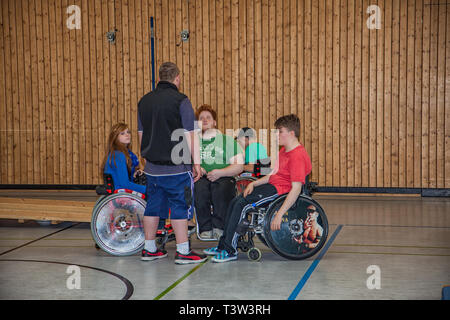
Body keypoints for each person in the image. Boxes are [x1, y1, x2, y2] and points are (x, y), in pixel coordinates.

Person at [203, 114, 312, 263]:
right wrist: (254, 183)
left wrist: (280, 214)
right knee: (235, 201)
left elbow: (296, 189)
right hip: (273, 186)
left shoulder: (297, 155)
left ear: (291, 134)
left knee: (242, 204)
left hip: (280, 192)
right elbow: (273, 175)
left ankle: (230, 250)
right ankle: (223, 245)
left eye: (280, 132)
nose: (276, 135)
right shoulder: (284, 151)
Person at [138, 62, 206, 264]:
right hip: (177, 167)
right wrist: (197, 163)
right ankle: (183, 251)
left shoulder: (144, 102)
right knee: (179, 206)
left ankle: (149, 249)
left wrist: (147, 160)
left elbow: (141, 135)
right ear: (177, 78)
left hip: (152, 167)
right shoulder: (181, 101)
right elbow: (191, 135)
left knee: (152, 207)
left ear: (158, 79)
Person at [194, 105, 244, 240]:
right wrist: (196, 168)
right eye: (201, 118)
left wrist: (221, 172)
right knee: (199, 188)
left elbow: (239, 165)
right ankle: (205, 227)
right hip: (201, 177)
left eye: (208, 117)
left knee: (221, 188)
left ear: (214, 122)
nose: (204, 120)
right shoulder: (192, 141)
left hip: (224, 176)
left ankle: (219, 227)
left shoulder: (226, 140)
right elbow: (185, 164)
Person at [101, 123, 146, 195]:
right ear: (115, 137)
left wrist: (134, 172)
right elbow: (125, 184)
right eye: (122, 133)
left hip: (121, 191)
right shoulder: (118, 155)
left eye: (128, 132)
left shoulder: (120, 154)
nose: (127, 135)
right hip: (121, 194)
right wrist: (148, 189)